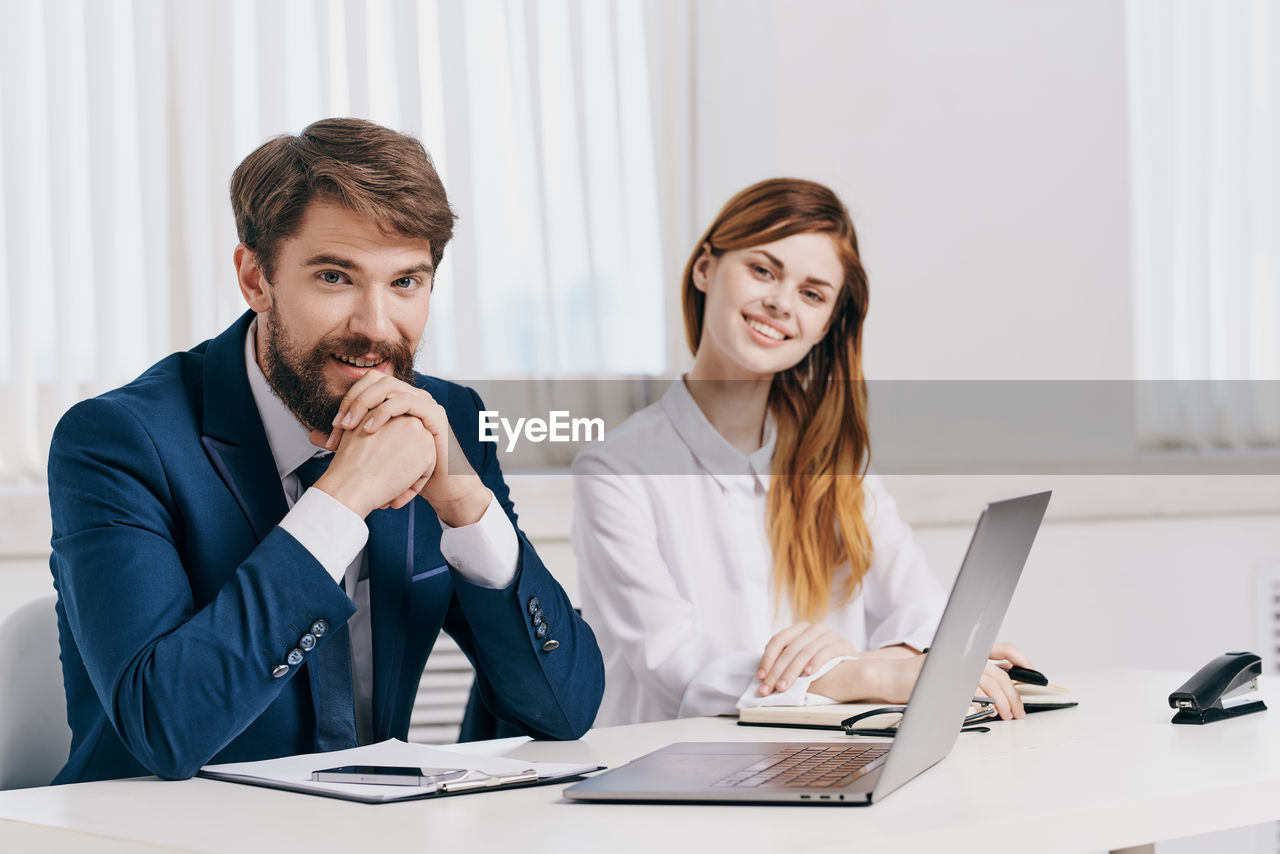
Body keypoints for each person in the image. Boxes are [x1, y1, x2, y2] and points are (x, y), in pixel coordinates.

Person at [47, 118, 603, 783]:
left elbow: (565, 711)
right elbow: (165, 728)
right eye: (336, 277)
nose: (375, 326)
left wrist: (465, 504)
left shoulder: (445, 422)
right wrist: (340, 501)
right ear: (256, 279)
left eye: (405, 283)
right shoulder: (119, 441)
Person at [571, 178, 1029, 726]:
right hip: (674, 770)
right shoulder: (616, 470)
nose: (780, 303)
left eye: (812, 294)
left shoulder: (837, 466)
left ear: (826, 325)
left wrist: (904, 660)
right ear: (705, 269)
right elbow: (675, 664)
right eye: (763, 270)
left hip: (824, 760)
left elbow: (924, 610)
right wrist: (854, 673)